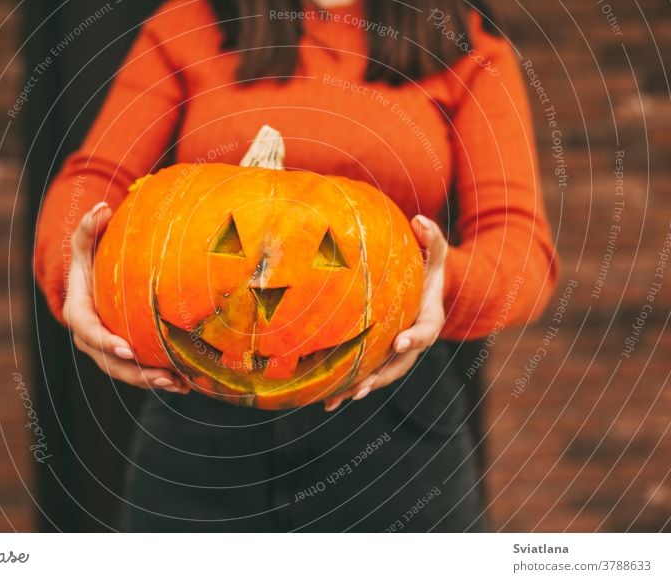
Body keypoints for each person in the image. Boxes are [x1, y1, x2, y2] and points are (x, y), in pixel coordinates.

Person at [35, 0, 559, 531]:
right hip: (198, 413)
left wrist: (432, 284)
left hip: (396, 420)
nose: (273, 292)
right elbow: (97, 174)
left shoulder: (461, 44)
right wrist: (75, 269)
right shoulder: (192, 23)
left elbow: (521, 248)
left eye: (323, 255)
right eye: (228, 242)